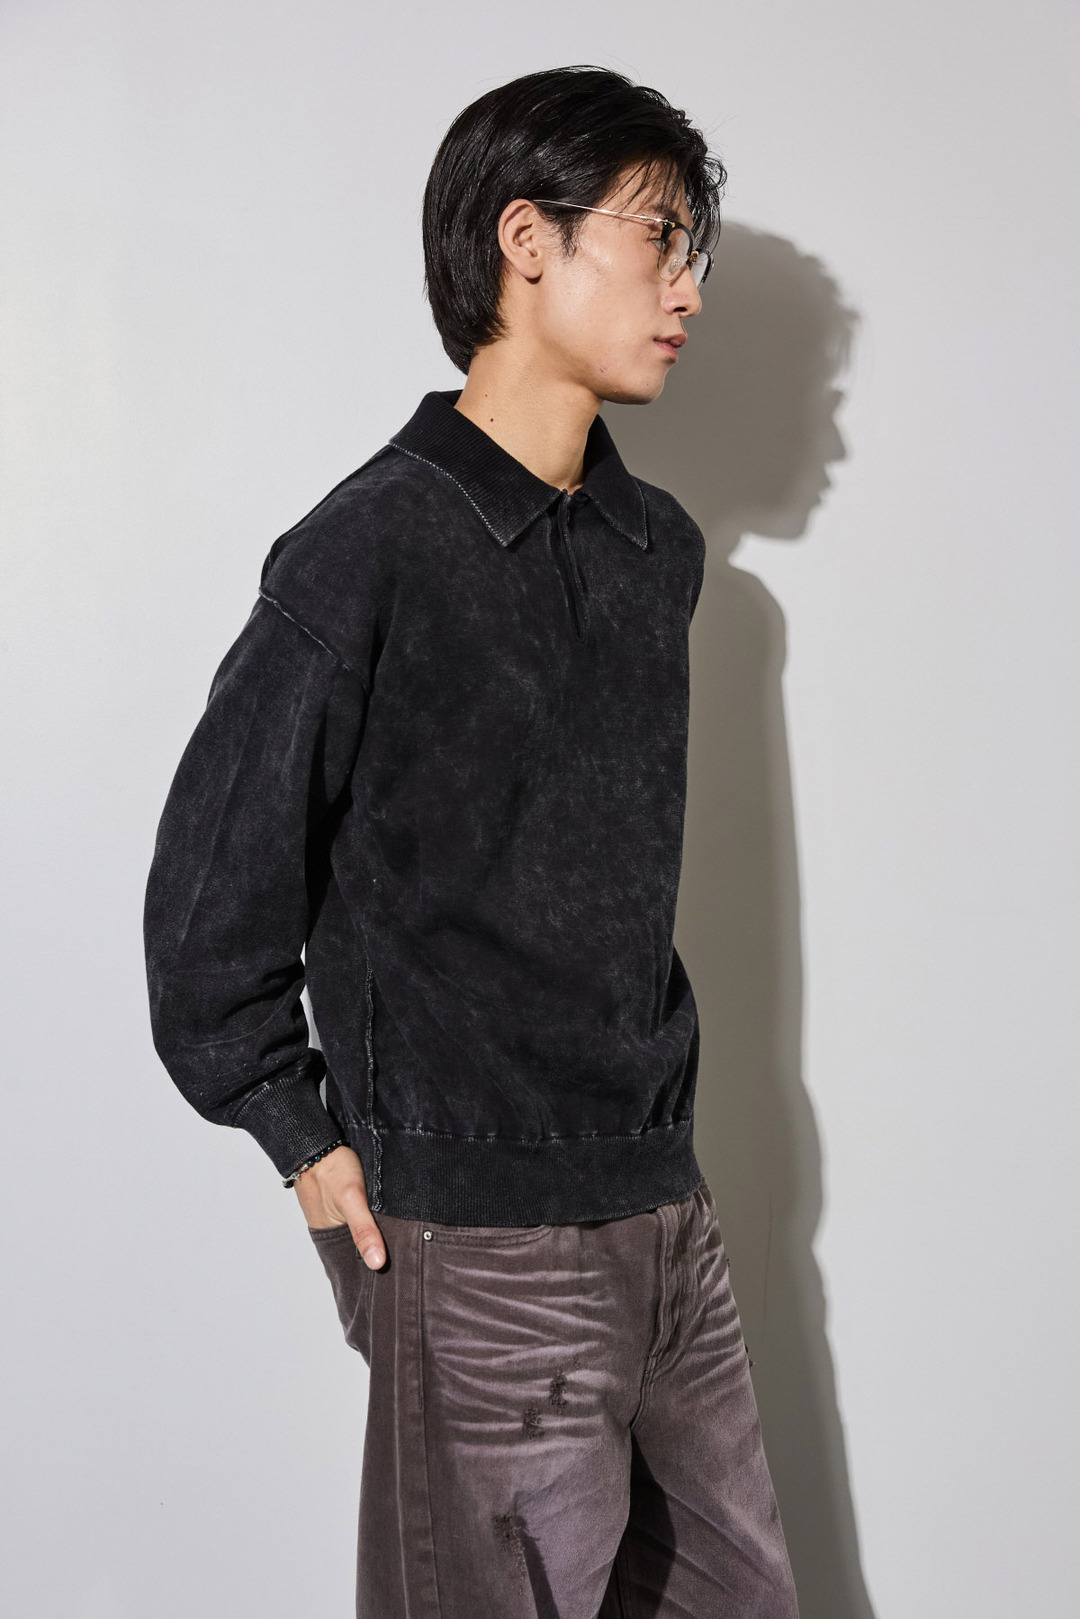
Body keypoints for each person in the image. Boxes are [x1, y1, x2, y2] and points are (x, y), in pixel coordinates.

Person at [143, 63, 799, 1619]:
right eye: (659, 238)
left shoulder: (655, 553)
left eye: (696, 248)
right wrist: (303, 1141)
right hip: (479, 1237)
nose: (689, 289)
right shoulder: (369, 548)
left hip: (668, 1215)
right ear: (526, 240)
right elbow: (209, 913)